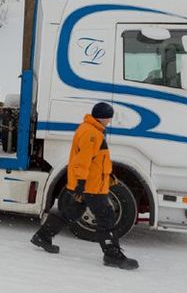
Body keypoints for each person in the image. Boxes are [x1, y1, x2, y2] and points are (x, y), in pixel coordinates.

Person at [30, 102, 139, 270]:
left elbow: (96, 159)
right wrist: (81, 183)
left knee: (70, 211)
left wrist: (107, 174)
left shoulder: (91, 130)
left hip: (91, 182)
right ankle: (112, 255)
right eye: (109, 117)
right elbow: (82, 161)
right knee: (106, 217)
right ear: (103, 117)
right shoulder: (91, 133)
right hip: (91, 185)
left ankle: (43, 236)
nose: (109, 121)